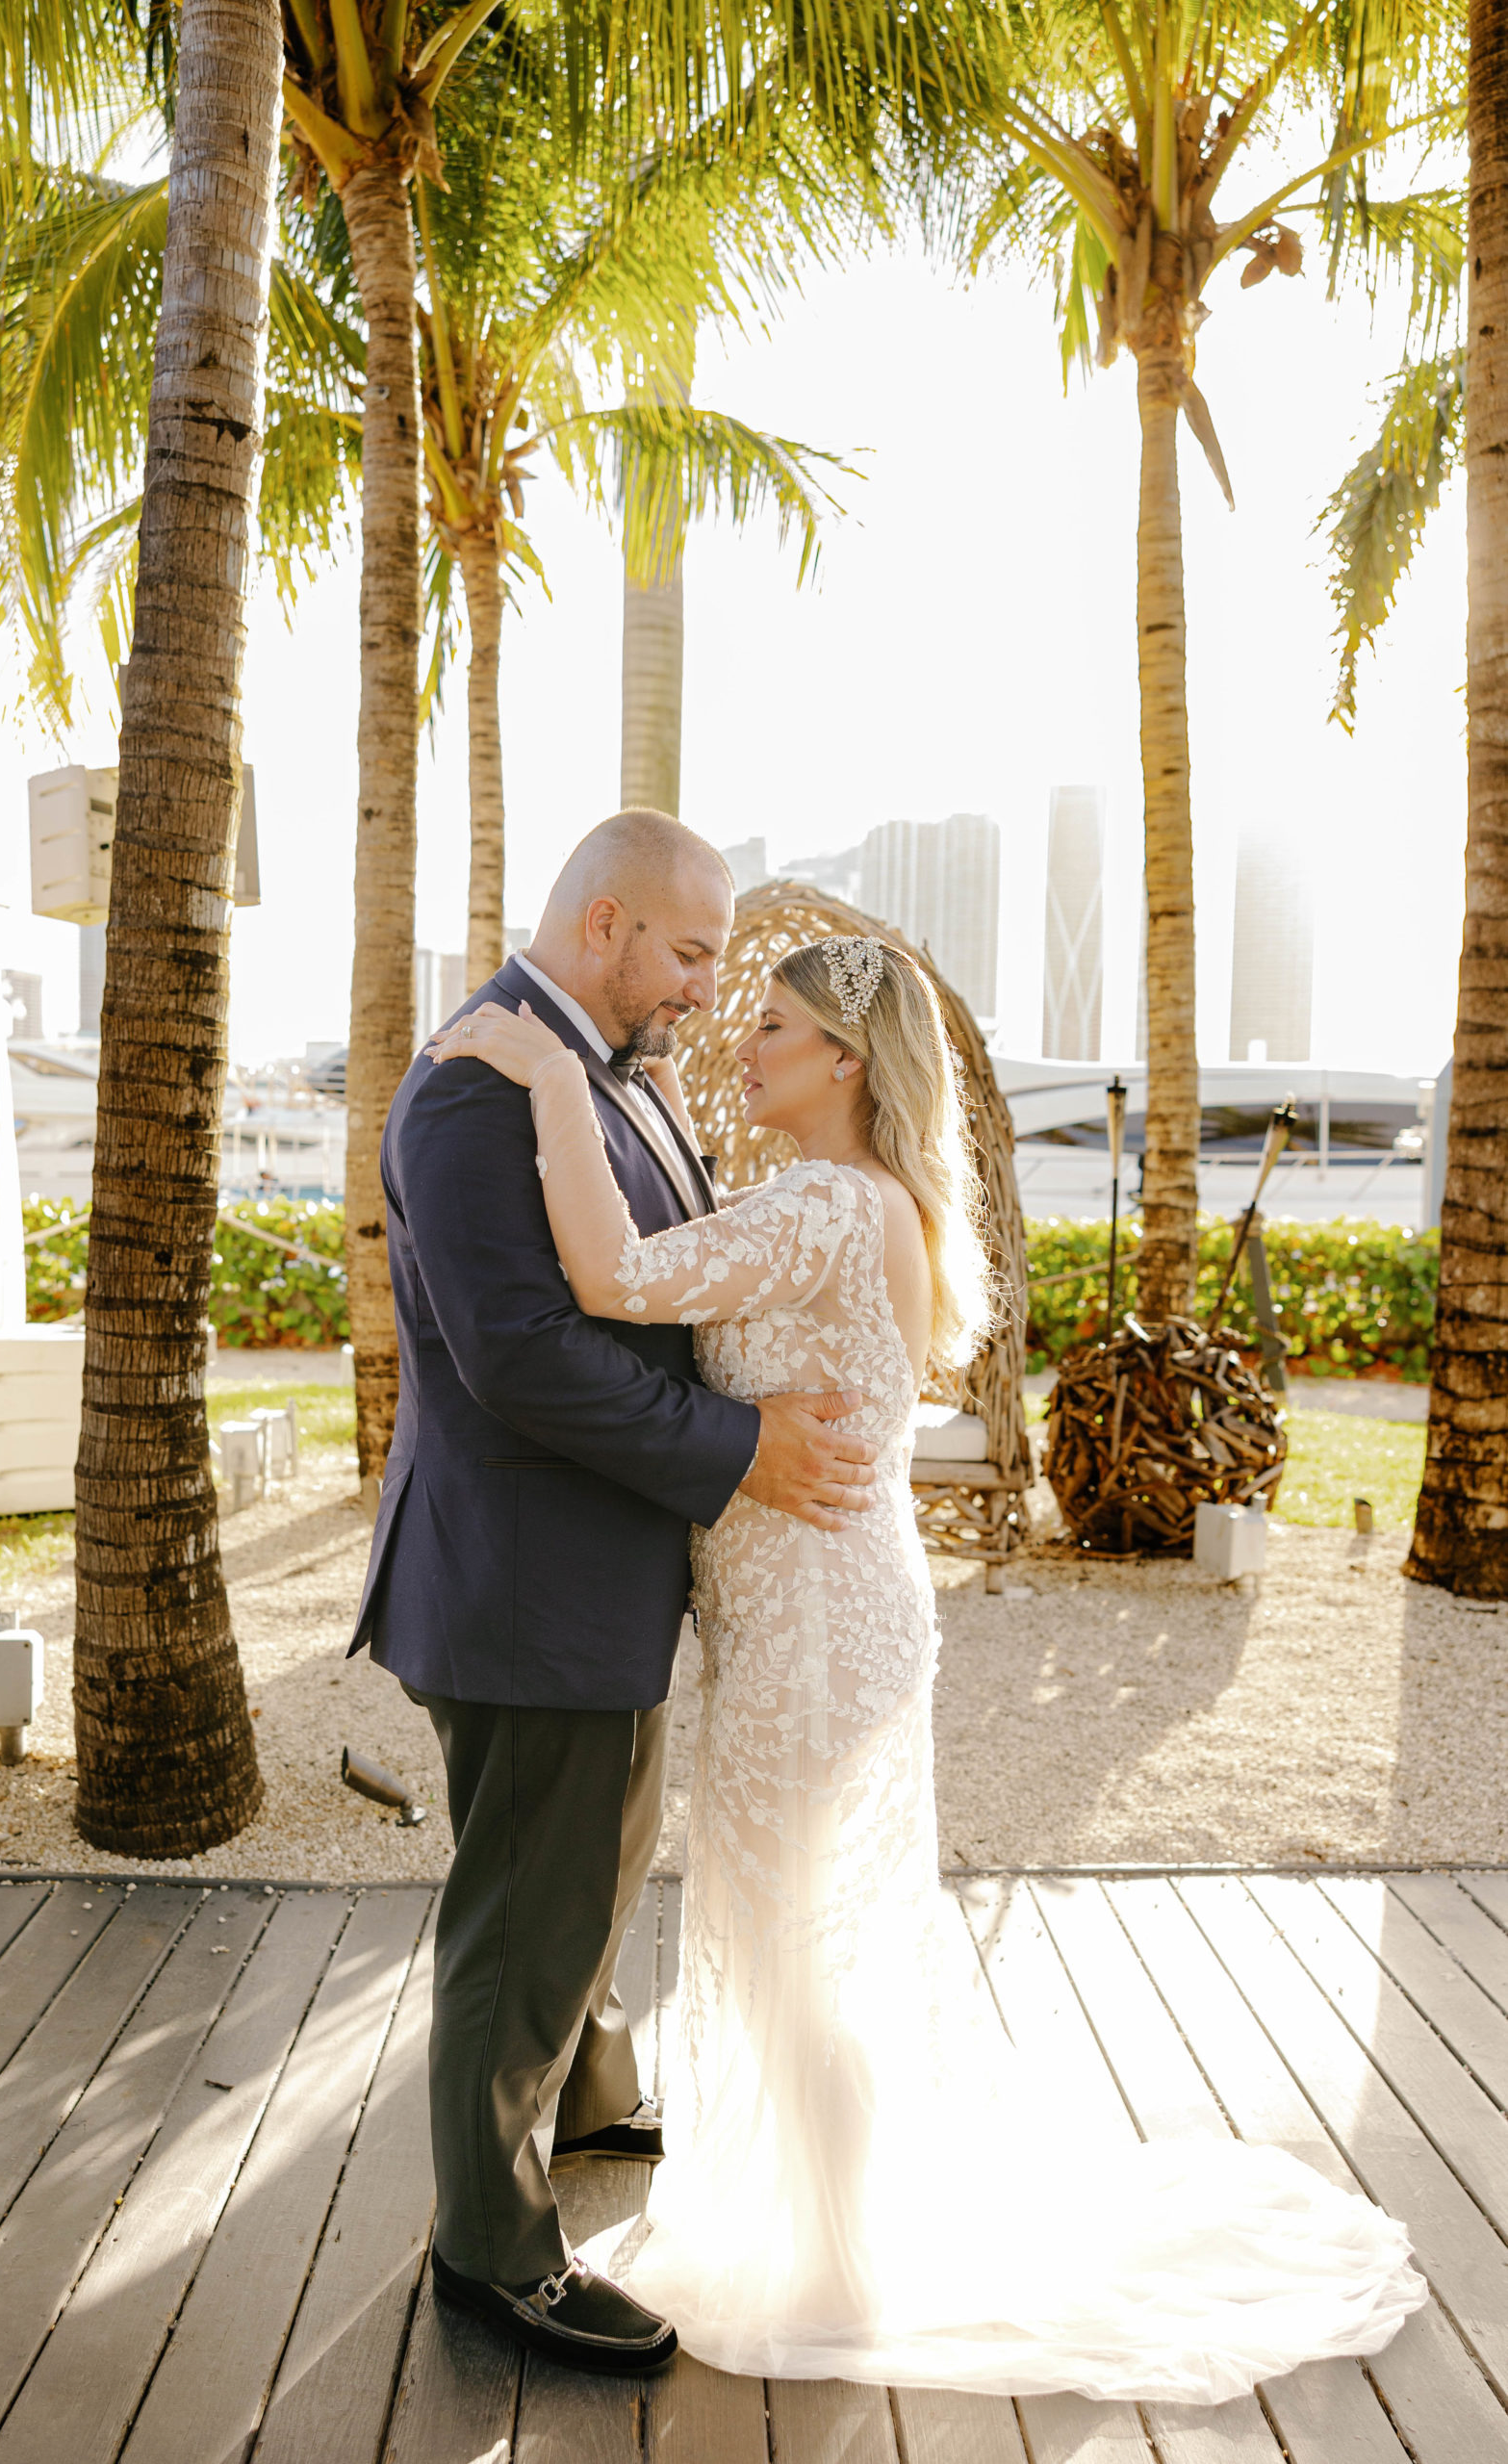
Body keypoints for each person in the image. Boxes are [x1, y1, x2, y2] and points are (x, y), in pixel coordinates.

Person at [430, 929, 1427, 2401]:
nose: (742, 1044)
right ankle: (837, 2235)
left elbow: (616, 1273)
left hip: (817, 1630)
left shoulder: (829, 1204)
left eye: (770, 1025)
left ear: (842, 1059)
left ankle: (835, 2269)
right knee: (813, 1931)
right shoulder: (864, 1199)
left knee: (799, 1945)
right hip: (837, 1607)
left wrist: (544, 1074)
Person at [346, 811, 882, 2378]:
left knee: (592, 1861)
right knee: (527, 1915)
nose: (711, 991)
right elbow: (519, 1359)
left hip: (586, 1578)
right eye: (694, 952)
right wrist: (741, 1456)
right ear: (603, 929)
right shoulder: (469, 1091)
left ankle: (584, 2102)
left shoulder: (598, 1073)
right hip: (524, 1588)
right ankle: (493, 2258)